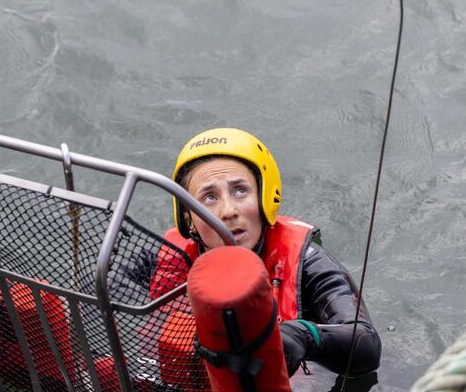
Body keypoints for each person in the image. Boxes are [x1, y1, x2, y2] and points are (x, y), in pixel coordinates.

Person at [161, 127, 381, 377]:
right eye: (209, 197)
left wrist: (303, 336)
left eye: (240, 191)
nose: (228, 211)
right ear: (188, 217)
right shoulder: (167, 255)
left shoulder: (308, 263)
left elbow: (367, 345)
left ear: (266, 197)